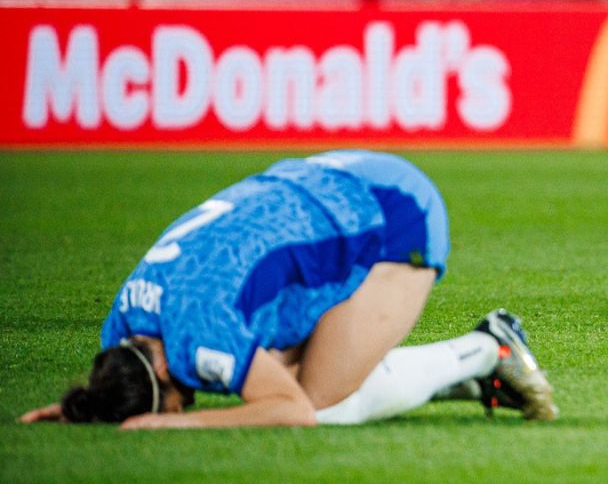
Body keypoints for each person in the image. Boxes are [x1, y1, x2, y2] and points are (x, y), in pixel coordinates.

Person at [19, 150, 558, 428]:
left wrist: (183, 426)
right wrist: (85, 406)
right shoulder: (122, 322)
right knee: (274, 372)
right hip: (331, 177)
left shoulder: (194, 329)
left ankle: (488, 348)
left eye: (173, 403)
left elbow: (292, 410)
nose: (182, 407)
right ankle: (474, 376)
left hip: (394, 214)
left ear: (161, 369)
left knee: (315, 400)